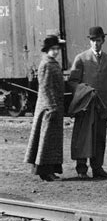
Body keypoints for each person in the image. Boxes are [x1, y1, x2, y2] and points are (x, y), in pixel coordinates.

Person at [68, 26, 107, 179]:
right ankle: (81, 169)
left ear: (103, 41)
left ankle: (98, 168)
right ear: (89, 41)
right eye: (93, 40)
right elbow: (73, 82)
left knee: (100, 137)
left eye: (99, 40)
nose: (96, 43)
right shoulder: (81, 59)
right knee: (83, 137)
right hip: (86, 106)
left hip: (102, 106)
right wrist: (86, 92)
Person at [24, 35, 65, 181]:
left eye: (57, 49)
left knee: (51, 141)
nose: (55, 51)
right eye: (53, 49)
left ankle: (50, 170)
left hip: (53, 107)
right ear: (47, 50)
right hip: (49, 109)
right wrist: (52, 107)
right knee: (46, 141)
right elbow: (46, 88)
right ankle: (44, 171)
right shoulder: (46, 65)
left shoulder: (51, 63)